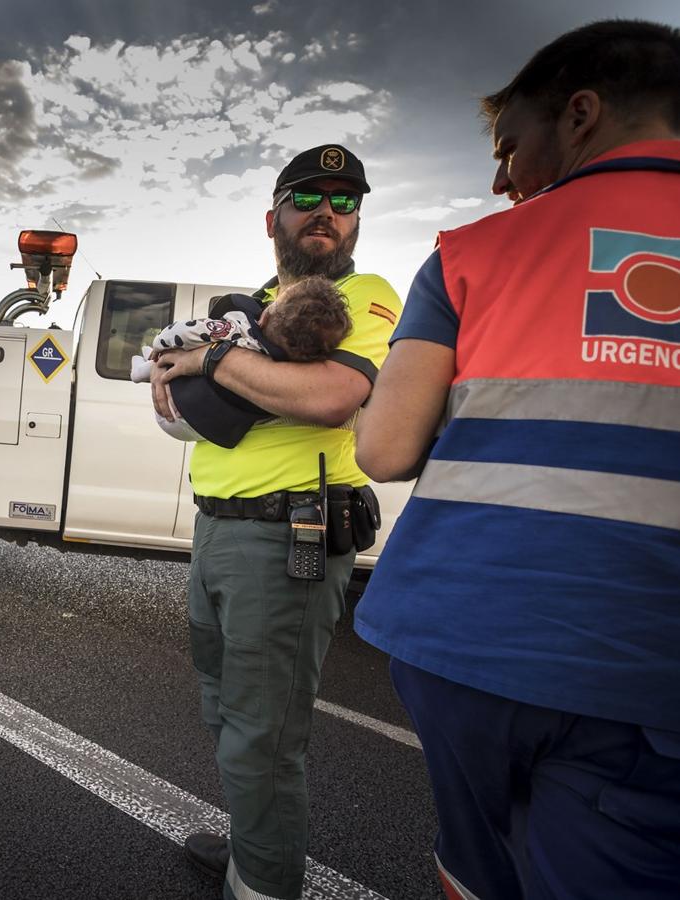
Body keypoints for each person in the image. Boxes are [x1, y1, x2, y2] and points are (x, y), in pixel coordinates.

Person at [353, 20, 680, 900]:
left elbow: (384, 449)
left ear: (580, 115)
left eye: (509, 149)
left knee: (477, 862)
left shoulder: (470, 255)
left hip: (457, 637)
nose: (499, 179)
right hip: (645, 669)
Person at [149, 145, 401, 900]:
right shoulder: (255, 297)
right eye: (309, 196)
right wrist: (196, 370)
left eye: (346, 200)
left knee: (266, 736)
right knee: (225, 708)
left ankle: (260, 884)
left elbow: (329, 396)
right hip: (219, 530)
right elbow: (169, 394)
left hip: (289, 538)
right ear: (274, 217)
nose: (329, 210)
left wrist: (211, 360)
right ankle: (254, 843)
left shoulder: (371, 293)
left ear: (357, 220)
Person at [131, 276, 352, 447]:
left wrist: (160, 345)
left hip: (174, 410)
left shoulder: (239, 328)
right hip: (207, 427)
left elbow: (184, 332)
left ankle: (140, 368)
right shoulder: (288, 370)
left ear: (264, 316)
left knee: (170, 356)